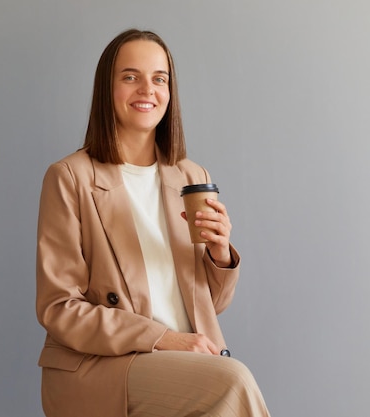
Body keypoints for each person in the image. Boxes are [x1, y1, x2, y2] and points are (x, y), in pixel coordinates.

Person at [35, 28, 270, 417]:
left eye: (159, 79)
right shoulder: (70, 177)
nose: (148, 89)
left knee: (227, 382)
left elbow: (210, 306)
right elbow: (59, 307)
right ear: (107, 89)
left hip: (189, 358)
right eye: (131, 77)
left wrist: (219, 254)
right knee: (232, 381)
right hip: (105, 365)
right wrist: (163, 339)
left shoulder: (191, 175)